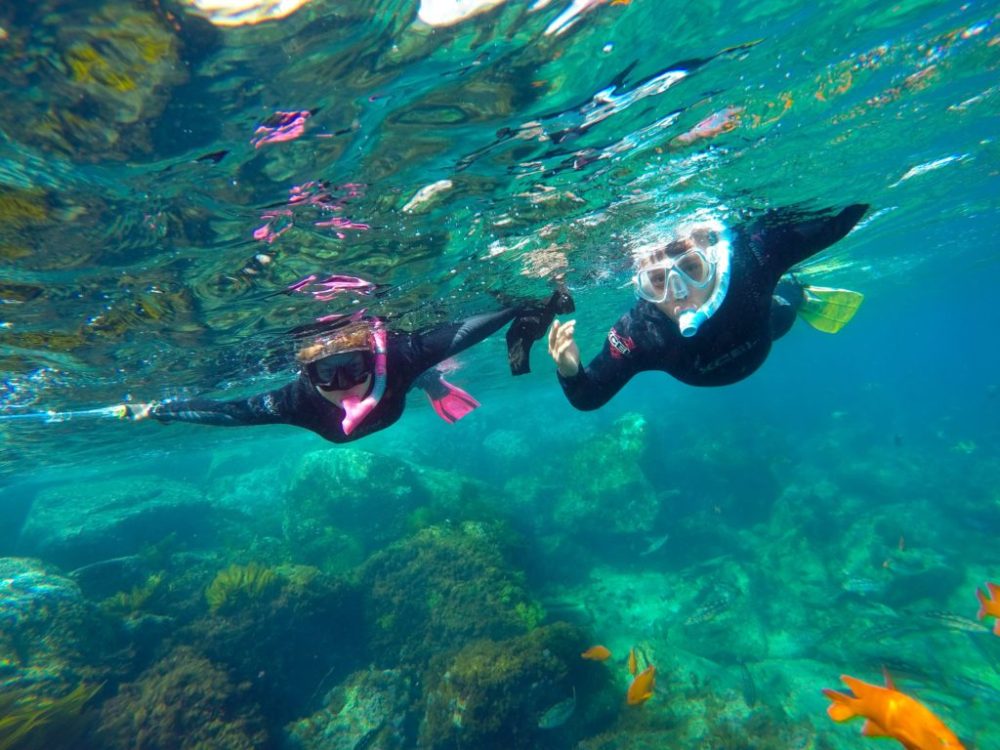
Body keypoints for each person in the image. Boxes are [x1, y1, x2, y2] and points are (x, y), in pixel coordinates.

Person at [127, 291, 573, 442]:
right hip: (387, 389)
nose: (344, 386)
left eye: (353, 368)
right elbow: (229, 411)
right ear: (306, 375)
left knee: (415, 369)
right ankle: (428, 382)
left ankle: (429, 382)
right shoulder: (293, 401)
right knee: (412, 372)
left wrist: (520, 308)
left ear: (371, 357)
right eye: (326, 373)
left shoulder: (398, 356)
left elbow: (469, 329)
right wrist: (166, 409)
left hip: (399, 381)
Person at [546, 204, 868, 410]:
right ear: (640, 288)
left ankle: (798, 293)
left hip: (766, 326)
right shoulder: (640, 334)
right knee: (779, 316)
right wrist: (570, 370)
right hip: (760, 333)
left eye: (692, 269)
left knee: (784, 310)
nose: (679, 294)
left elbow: (843, 216)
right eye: (657, 282)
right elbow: (588, 396)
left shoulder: (751, 259)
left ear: (713, 259)